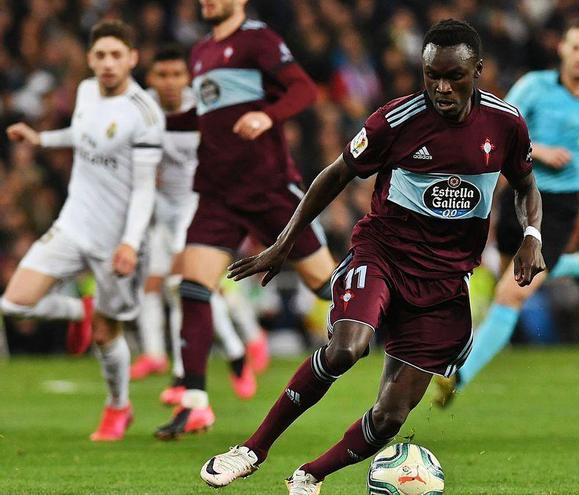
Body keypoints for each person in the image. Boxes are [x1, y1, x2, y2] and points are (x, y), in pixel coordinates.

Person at [198, 19, 544, 494]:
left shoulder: (505, 123)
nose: (442, 88)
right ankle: (252, 450)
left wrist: (532, 235)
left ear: (477, 71)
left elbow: (526, 185)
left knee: (390, 415)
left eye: (454, 77)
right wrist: (283, 243)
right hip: (383, 255)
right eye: (432, 76)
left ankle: (310, 476)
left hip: (445, 280)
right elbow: (335, 174)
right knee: (347, 348)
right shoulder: (395, 121)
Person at [154, 0, 336, 439]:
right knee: (193, 288)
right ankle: (194, 403)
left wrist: (265, 115)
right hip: (217, 193)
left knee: (329, 286)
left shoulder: (258, 39)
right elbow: (207, 116)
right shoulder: (200, 51)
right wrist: (156, 123)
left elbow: (303, 90)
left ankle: (413, 322)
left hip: (267, 187)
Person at [433, 20, 579, 407]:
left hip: (557, 208)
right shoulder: (534, 87)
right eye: (575, 47)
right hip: (518, 194)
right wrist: (538, 150)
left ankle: (458, 377)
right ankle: (578, 265)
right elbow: (497, 124)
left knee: (511, 293)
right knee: (509, 277)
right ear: (562, 49)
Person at [1, 20, 163, 441]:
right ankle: (79, 311)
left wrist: (130, 242)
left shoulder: (145, 113)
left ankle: (118, 406)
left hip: (117, 240)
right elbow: (82, 134)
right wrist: (40, 139)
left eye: (116, 55)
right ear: (90, 59)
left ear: (132, 58)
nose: (108, 63)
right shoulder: (86, 91)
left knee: (107, 333)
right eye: (101, 55)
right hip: (73, 223)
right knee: (14, 302)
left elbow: (145, 189)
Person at [136, 45, 260, 402]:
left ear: (188, 78)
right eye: (162, 75)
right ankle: (230, 354)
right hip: (160, 208)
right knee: (161, 286)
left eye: (177, 75)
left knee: (184, 286)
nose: (170, 82)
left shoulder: (205, 107)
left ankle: (183, 374)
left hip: (195, 204)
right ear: (151, 78)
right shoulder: (142, 109)